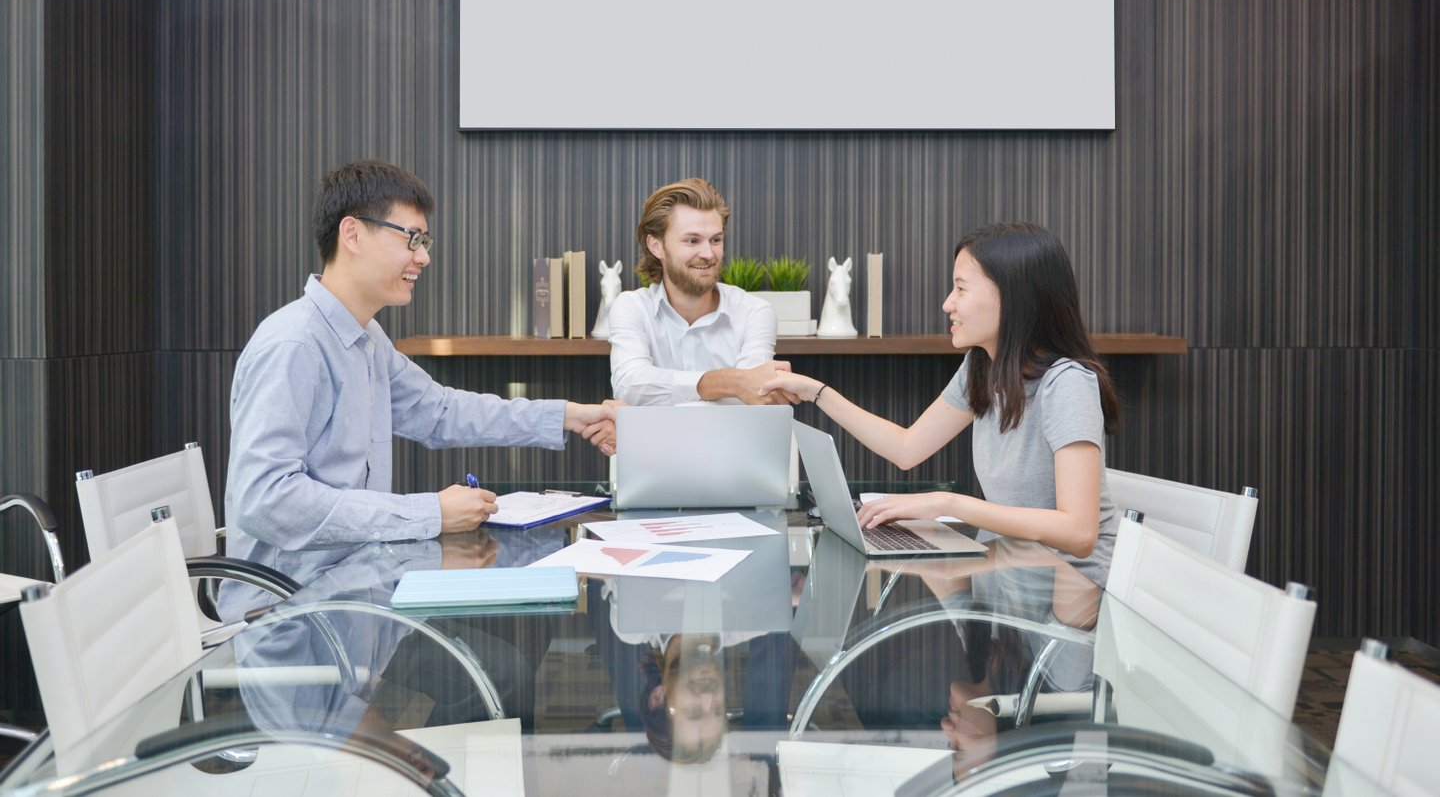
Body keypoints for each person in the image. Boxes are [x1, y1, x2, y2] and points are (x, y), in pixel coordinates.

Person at [222, 160, 619, 619]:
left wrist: (569, 414)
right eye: (411, 238)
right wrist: (429, 513)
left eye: (424, 241)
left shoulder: (367, 338)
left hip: (361, 588)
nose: (423, 257)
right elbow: (266, 499)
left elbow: (440, 411)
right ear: (352, 235)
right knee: (503, 664)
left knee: (514, 644)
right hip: (292, 613)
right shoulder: (294, 345)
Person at [762, 221, 1122, 587]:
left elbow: (1079, 533)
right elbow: (906, 448)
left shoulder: (1068, 383)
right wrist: (816, 392)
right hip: (1013, 577)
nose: (948, 303)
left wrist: (948, 505)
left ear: (1014, 296)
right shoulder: (982, 367)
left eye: (961, 289)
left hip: (1075, 597)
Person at [607, 178, 791, 405]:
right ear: (657, 246)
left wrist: (667, 394)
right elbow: (629, 387)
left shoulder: (754, 312)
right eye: (692, 240)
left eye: (716, 240)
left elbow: (754, 399)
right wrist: (730, 382)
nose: (708, 253)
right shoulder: (632, 308)